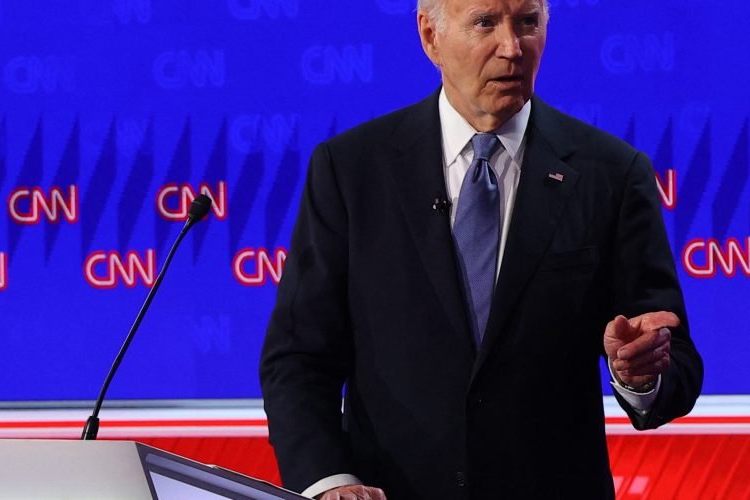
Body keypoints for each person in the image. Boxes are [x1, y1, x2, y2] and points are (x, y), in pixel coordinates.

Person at [259, 0, 703, 498]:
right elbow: (298, 359)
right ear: (431, 37)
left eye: (528, 23)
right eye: (485, 23)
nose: (513, 48)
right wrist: (328, 481)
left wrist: (641, 376)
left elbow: (675, 360)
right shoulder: (351, 171)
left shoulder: (612, 175)